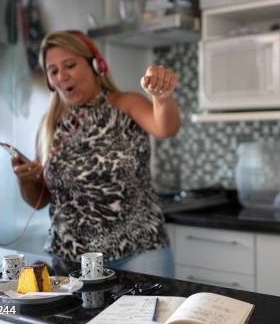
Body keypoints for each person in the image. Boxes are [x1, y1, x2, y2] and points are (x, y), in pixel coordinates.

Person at [11, 30, 180, 277]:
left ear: (95, 65)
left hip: (139, 254)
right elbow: (41, 200)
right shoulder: (49, 125)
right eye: (53, 70)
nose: (62, 75)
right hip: (70, 261)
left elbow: (166, 128)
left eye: (69, 65)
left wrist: (162, 98)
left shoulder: (125, 104)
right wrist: (25, 180)